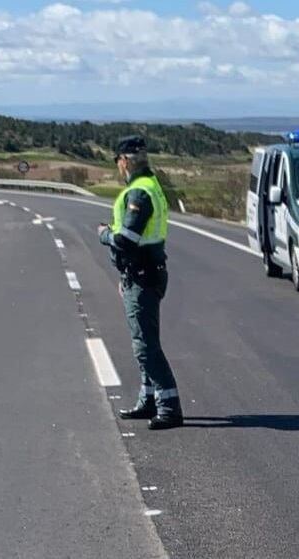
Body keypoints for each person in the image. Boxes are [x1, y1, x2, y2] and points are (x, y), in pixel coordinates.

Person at [97, 136, 183, 430]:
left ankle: (169, 407)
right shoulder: (151, 185)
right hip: (146, 272)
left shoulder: (139, 194)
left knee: (145, 345)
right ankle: (148, 399)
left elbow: (126, 240)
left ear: (124, 161)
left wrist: (104, 234)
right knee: (145, 340)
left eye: (118, 162)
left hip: (142, 275)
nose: (118, 167)